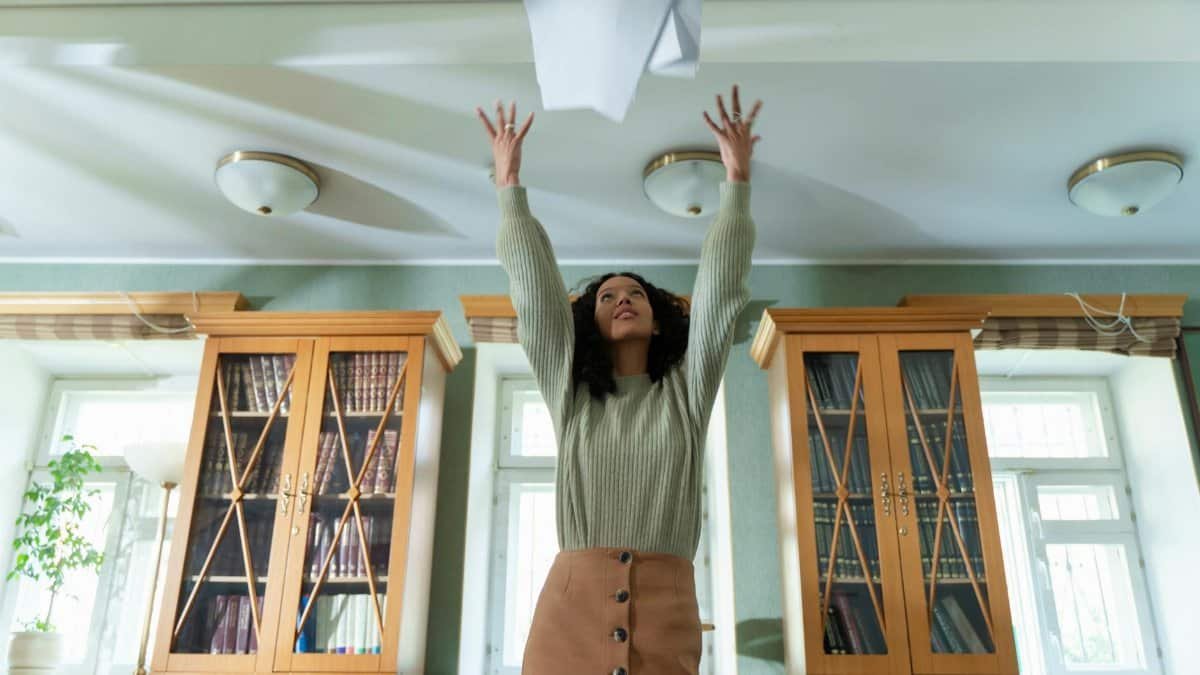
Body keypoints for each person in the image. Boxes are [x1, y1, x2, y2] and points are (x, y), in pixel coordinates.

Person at [477, 84, 761, 675]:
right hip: (570, 613)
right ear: (591, 321)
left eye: (635, 294)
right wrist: (510, 192)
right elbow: (536, 299)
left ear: (660, 322)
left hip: (667, 610)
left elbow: (719, 297)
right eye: (607, 296)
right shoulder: (573, 397)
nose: (622, 299)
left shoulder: (685, 394)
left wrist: (735, 187)